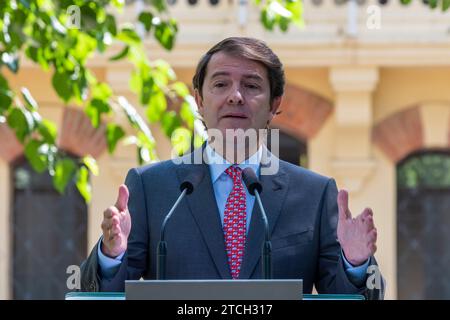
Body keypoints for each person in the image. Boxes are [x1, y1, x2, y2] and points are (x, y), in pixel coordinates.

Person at [80, 37, 384, 299]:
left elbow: (350, 296)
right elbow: (98, 294)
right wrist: (111, 255)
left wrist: (354, 262)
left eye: (251, 86)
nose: (235, 96)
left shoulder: (314, 194)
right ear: (199, 100)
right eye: (221, 84)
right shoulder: (151, 188)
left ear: (275, 103)